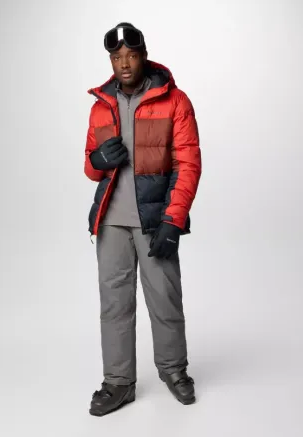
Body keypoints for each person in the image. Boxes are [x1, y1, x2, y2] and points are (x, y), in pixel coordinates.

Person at [83, 22, 202, 417]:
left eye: (131, 56)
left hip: (154, 220)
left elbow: (188, 164)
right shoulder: (100, 106)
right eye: (117, 58)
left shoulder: (175, 101)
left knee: (165, 299)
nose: (124, 64)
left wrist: (173, 220)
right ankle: (119, 382)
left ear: (143, 55)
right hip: (111, 222)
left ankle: (174, 370)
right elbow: (91, 167)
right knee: (114, 304)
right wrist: (98, 160)